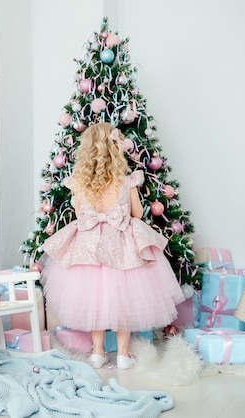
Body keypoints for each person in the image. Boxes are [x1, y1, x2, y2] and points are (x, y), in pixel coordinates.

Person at [40, 122, 184, 370]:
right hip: (120, 244)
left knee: (94, 299)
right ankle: (123, 354)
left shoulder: (80, 183)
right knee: (123, 299)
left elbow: (79, 213)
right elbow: (137, 213)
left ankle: (97, 352)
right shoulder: (125, 181)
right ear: (115, 148)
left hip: (89, 246)